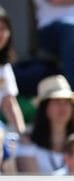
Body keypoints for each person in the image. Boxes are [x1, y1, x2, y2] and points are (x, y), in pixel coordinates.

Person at [15, 75, 74, 175]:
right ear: (44, 107)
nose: (63, 107)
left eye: (67, 102)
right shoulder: (27, 141)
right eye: (56, 101)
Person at [0, 7, 26, 137]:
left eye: (4, 29)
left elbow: (9, 103)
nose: (1, 34)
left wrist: (22, 135)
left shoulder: (4, 67)